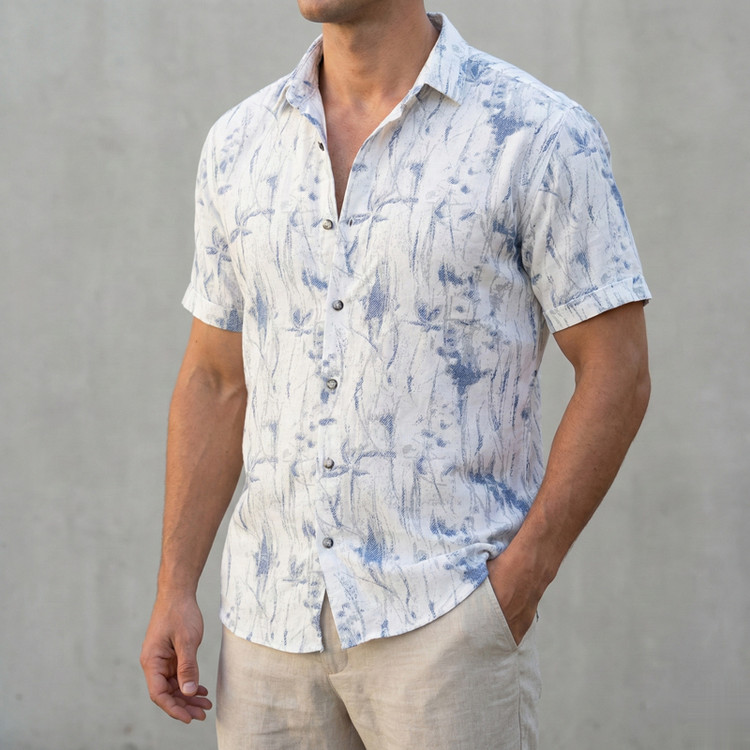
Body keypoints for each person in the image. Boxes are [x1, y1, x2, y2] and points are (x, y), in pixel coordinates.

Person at [140, 1, 651, 747]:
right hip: (267, 627)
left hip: (446, 619)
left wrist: (517, 584)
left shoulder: (535, 133)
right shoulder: (240, 142)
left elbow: (618, 371)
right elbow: (216, 380)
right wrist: (175, 585)